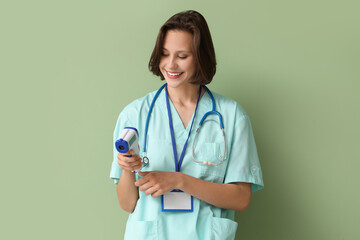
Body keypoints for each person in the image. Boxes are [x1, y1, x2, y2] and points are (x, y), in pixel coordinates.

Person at [110, 10, 264, 240]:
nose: (170, 64)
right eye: (164, 54)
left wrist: (179, 181)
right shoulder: (135, 114)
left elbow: (241, 199)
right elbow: (127, 203)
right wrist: (126, 167)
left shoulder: (231, 116)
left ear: (200, 57)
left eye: (182, 56)